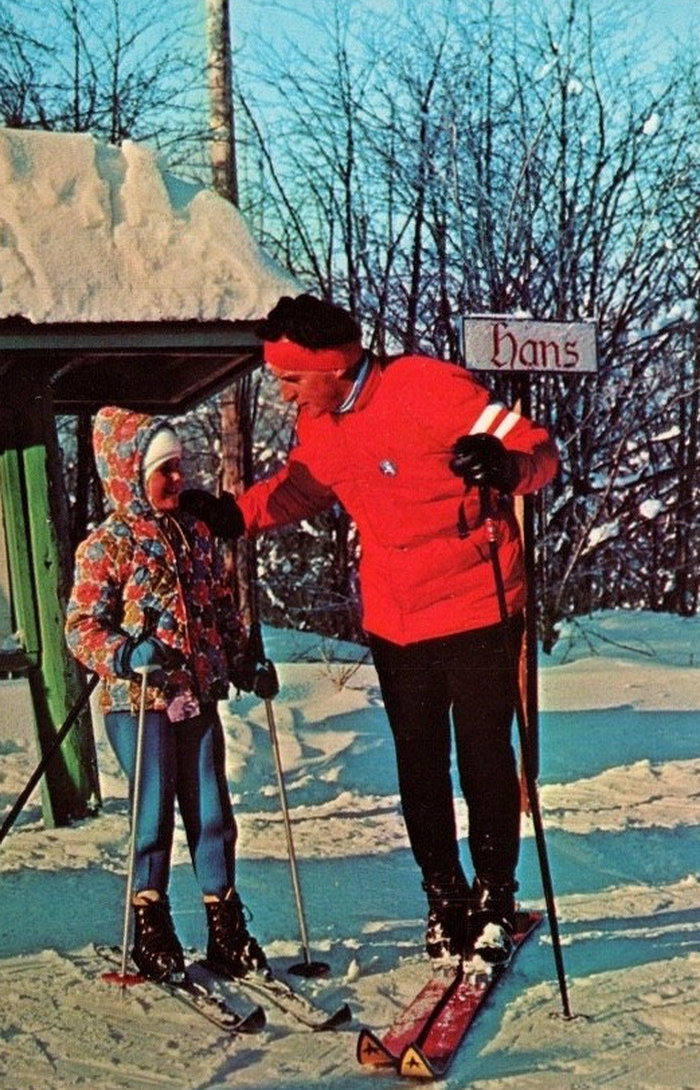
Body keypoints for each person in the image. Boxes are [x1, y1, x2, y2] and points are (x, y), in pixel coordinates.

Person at [180, 294, 559, 966]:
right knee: (418, 764)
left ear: (332, 365)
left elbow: (536, 448)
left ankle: (496, 896)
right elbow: (300, 488)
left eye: (291, 378)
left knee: (483, 757)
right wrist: (233, 516)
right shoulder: (320, 426)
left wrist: (505, 467)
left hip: (478, 602)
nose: (284, 391)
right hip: (397, 618)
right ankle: (445, 903)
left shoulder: (427, 386)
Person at [65, 406, 277, 984]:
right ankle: (151, 924)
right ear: (131, 473)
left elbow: (220, 612)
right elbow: (80, 624)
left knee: (212, 811)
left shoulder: (196, 535)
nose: (177, 480)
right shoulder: (106, 545)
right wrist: (124, 654)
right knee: (153, 813)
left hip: (199, 696)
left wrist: (245, 662)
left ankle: (225, 925)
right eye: (165, 470)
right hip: (138, 704)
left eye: (180, 467)